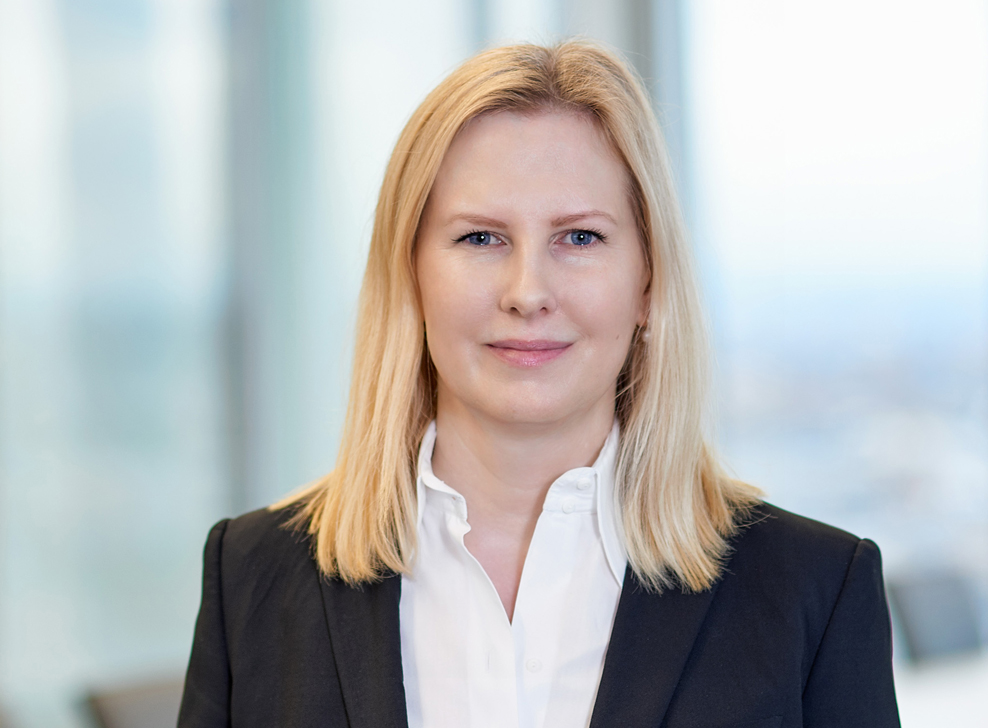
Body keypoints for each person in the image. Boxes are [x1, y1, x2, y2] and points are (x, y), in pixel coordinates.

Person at [178, 40, 900, 728]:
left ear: (648, 281)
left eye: (580, 237)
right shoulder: (252, 575)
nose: (528, 292)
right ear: (411, 275)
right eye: (481, 238)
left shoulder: (815, 590)